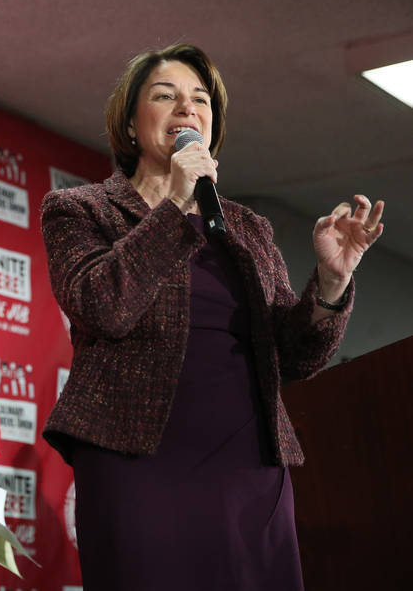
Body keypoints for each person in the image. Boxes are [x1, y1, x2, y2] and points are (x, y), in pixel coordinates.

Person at [41, 44, 385, 591]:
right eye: (165, 96)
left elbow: (295, 357)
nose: (187, 109)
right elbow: (103, 305)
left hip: (247, 462)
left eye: (200, 100)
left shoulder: (247, 228)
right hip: (136, 462)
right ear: (130, 125)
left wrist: (331, 282)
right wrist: (175, 204)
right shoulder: (81, 210)